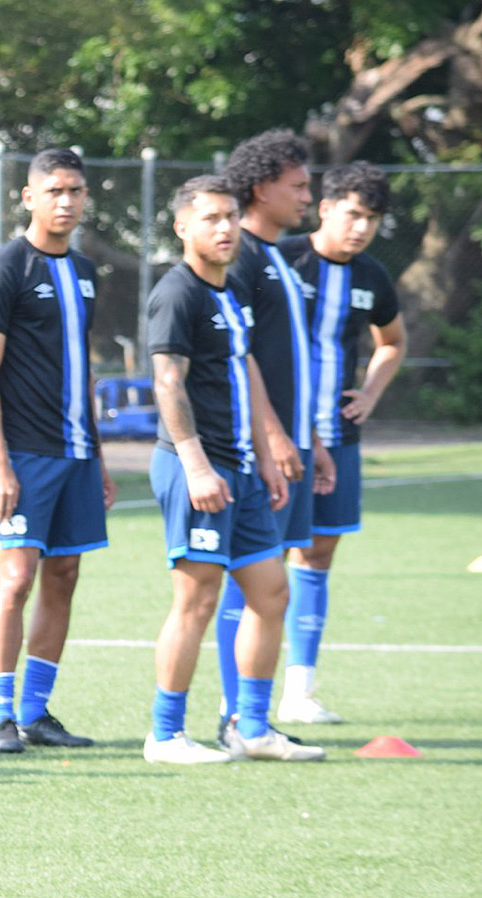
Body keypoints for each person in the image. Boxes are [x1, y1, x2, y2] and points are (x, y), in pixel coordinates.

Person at [143, 176, 318, 766]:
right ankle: (165, 734)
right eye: (211, 218)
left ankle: (250, 727)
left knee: (272, 594)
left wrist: (267, 459)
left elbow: (245, 371)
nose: (225, 229)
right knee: (196, 601)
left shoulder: (230, 289)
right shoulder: (178, 293)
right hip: (197, 470)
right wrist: (196, 466)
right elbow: (167, 381)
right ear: (182, 227)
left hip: (241, 471)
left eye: (231, 217)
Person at [0, 148, 112, 754]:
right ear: (28, 198)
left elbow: (83, 372)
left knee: (66, 574)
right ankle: (0, 715)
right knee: (16, 575)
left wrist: (99, 455)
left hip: (77, 454)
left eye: (75, 190)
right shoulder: (5, 268)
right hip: (23, 454)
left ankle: (36, 712)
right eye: (54, 190)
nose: (66, 201)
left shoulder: (84, 271)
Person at [213, 130, 330, 748]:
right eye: (299, 186)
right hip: (262, 449)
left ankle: (251, 720)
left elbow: (288, 362)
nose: (308, 197)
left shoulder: (278, 256)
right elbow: (242, 361)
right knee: (252, 579)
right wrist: (273, 438)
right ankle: (238, 717)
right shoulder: (246, 260)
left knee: (270, 580)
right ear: (263, 189)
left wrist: (311, 436)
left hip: (292, 441)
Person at [276, 163, 405, 726]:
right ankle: (242, 700)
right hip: (277, 437)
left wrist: (370, 395)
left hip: (340, 436)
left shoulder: (372, 276)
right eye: (353, 213)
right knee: (258, 561)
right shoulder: (283, 259)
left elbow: (392, 342)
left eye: (372, 219)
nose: (361, 228)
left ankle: (299, 691)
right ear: (325, 208)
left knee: (320, 553)